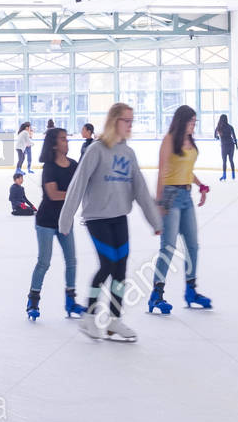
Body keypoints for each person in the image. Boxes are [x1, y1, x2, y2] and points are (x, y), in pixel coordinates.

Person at [58, 102, 163, 343]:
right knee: (108, 264)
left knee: (120, 268)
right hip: (97, 218)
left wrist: (154, 220)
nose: (130, 125)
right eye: (126, 120)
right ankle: (89, 315)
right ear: (114, 121)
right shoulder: (96, 150)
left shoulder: (128, 153)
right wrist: (65, 220)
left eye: (131, 121)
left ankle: (114, 321)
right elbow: (78, 184)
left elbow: (140, 190)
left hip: (119, 218)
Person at [149, 104, 212, 315]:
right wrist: (159, 204)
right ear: (182, 121)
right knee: (168, 247)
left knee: (193, 246)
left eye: (195, 122)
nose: (194, 125)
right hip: (170, 196)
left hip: (186, 196)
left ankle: (191, 290)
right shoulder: (169, 140)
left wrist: (200, 185)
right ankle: (156, 295)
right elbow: (162, 172)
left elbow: (187, 169)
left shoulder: (190, 141)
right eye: (191, 121)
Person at [27, 127, 86, 321]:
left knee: (72, 261)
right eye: (62, 139)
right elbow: (53, 194)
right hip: (46, 221)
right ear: (54, 144)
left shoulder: (74, 165)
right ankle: (33, 299)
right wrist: (74, 194)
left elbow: (84, 184)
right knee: (44, 261)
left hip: (65, 220)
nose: (66, 142)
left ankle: (71, 300)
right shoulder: (49, 167)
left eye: (67, 139)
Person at [214, 113, 237, 180]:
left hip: (224, 145)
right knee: (231, 160)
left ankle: (224, 175)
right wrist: (236, 144)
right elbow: (234, 136)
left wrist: (219, 137)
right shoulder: (230, 126)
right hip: (231, 145)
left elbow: (215, 136)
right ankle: (233, 175)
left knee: (224, 161)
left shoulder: (219, 127)